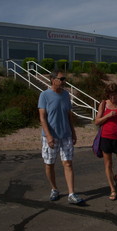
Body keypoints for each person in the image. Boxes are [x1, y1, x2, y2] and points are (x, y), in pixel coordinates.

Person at [38, 70, 84, 205]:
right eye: (61, 79)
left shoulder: (66, 94)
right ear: (53, 80)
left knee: (68, 163)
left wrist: (73, 132)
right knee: (49, 163)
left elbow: (69, 115)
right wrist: (48, 135)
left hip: (66, 135)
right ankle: (54, 189)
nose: (64, 81)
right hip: (50, 136)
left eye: (64, 79)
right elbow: (42, 117)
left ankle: (71, 194)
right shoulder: (44, 95)